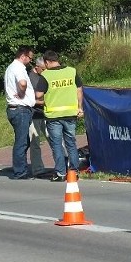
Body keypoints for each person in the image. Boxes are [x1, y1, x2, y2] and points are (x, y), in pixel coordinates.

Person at [35, 50, 83, 182]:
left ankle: (61, 173)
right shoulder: (71, 71)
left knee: (57, 145)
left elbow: (38, 95)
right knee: (71, 144)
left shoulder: (46, 75)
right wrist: (80, 108)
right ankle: (74, 172)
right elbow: (79, 89)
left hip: (54, 116)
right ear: (57, 59)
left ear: (46, 62)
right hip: (70, 114)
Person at [3, 46, 36, 180]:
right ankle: (20, 171)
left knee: (23, 141)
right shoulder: (19, 68)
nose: (30, 61)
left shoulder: (11, 67)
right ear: (23, 56)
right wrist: (22, 93)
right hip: (20, 109)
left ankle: (20, 167)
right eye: (30, 58)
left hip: (16, 108)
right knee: (22, 141)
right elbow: (22, 83)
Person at [28, 56, 47, 177]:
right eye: (43, 69)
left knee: (54, 138)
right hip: (33, 113)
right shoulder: (30, 78)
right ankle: (37, 169)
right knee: (35, 141)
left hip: (46, 113)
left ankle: (62, 165)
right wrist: (44, 102)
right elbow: (28, 99)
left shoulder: (45, 76)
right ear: (37, 67)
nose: (46, 72)